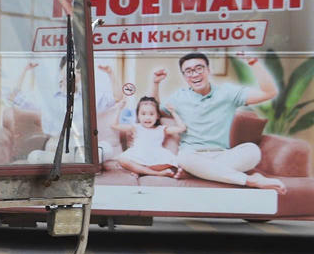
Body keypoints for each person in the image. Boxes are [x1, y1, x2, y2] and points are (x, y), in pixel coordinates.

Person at [150, 52, 285, 193]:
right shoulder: (179, 97)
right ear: (184, 77)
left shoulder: (228, 93)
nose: (194, 74)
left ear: (209, 70)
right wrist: (155, 83)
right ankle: (250, 180)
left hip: (223, 155)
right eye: (188, 71)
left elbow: (269, 92)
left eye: (199, 68)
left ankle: (198, 173)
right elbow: (153, 110)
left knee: (252, 151)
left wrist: (253, 62)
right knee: (183, 158)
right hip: (192, 155)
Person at [112, 96, 185, 177]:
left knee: (172, 163)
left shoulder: (161, 129)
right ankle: (157, 173)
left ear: (157, 116)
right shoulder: (136, 127)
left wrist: (173, 112)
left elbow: (182, 128)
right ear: (138, 116)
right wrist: (119, 109)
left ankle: (139, 170)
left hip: (156, 156)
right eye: (143, 114)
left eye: (151, 114)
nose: (147, 117)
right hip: (138, 154)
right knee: (122, 160)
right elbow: (114, 125)